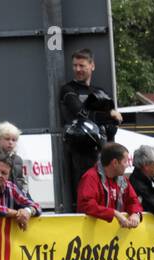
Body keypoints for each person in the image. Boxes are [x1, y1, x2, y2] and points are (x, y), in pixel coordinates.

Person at [59, 48, 120, 210]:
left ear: (92, 66)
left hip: (103, 151)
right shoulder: (68, 90)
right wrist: (107, 112)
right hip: (79, 153)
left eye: (82, 65)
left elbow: (113, 124)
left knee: (106, 195)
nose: (77, 69)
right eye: (75, 66)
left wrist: (109, 118)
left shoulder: (100, 92)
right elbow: (80, 113)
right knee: (85, 199)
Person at [79, 142, 142, 226]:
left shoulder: (123, 180)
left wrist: (136, 213)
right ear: (115, 163)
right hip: (93, 235)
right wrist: (114, 213)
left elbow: (133, 201)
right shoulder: (91, 177)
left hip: (113, 234)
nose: (127, 165)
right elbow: (86, 205)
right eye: (125, 162)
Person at [0, 121, 29, 197]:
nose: (10, 142)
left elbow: (21, 180)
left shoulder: (18, 160)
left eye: (14, 140)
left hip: (17, 198)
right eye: (7, 139)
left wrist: (24, 194)